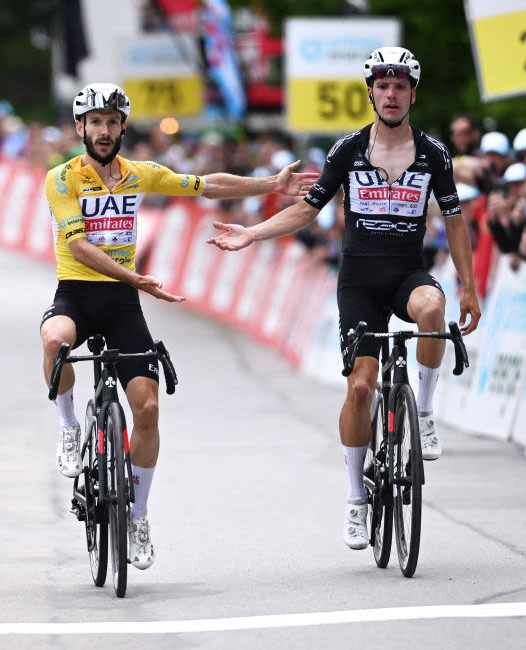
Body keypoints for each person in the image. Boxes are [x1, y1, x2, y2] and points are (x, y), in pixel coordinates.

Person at [207, 47, 481, 551]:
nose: (392, 93)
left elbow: (456, 221)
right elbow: (307, 211)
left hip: (407, 273)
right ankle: (356, 497)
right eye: (384, 85)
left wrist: (467, 284)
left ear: (412, 94)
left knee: (432, 310)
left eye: (401, 86)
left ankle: (422, 412)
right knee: (361, 388)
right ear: (371, 93)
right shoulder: (347, 151)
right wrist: (253, 233)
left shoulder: (434, 154)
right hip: (357, 281)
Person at [39, 82, 318, 570]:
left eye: (112, 122)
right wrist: (138, 278)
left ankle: (139, 516)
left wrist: (270, 185)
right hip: (79, 292)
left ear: (123, 127)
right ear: (79, 128)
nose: (104, 132)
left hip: (123, 301)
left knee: (146, 408)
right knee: (54, 338)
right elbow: (80, 247)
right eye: (95, 123)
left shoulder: (140, 174)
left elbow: (205, 184)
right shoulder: (61, 179)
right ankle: (66, 427)